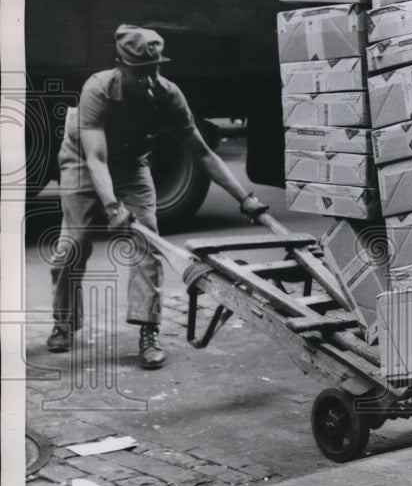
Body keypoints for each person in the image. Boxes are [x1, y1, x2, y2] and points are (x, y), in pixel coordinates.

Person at [46, 25, 270, 368]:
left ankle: (148, 331)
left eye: (155, 69)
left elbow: (203, 153)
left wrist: (246, 199)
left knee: (145, 240)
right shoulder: (98, 89)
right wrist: (112, 206)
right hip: (82, 160)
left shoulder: (167, 94)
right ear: (120, 66)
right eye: (140, 72)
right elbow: (96, 159)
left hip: (132, 164)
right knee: (72, 244)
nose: (149, 80)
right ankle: (64, 323)